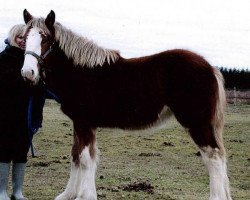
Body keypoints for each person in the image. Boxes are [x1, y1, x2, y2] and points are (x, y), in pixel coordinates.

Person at [0, 24, 45, 200]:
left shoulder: (32, 61)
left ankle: (18, 192)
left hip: (25, 116)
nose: (23, 41)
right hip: (4, 115)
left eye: (26, 39)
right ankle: (2, 191)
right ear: (13, 37)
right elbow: (8, 85)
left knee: (21, 152)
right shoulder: (4, 58)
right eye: (20, 37)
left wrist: (36, 118)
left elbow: (40, 90)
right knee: (3, 151)